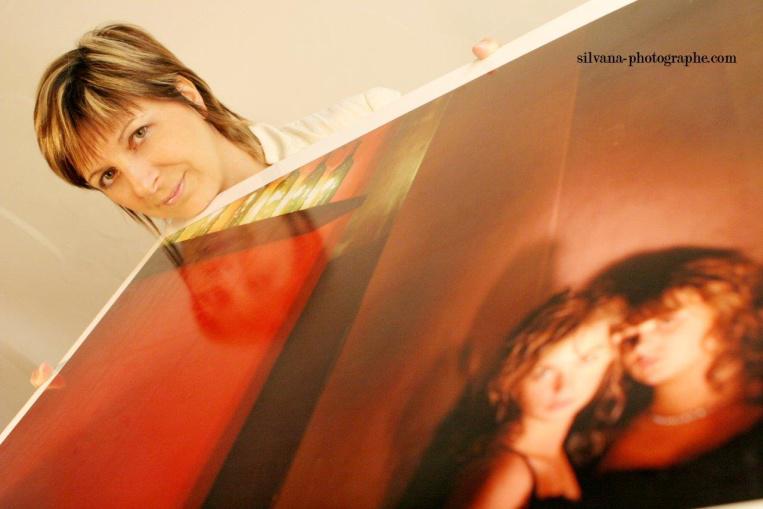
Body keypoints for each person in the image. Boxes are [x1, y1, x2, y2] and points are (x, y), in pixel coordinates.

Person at [33, 24, 499, 230]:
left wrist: (505, 109)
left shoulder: (372, 121)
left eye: (138, 134)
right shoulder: (173, 306)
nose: (142, 184)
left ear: (187, 95)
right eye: (107, 176)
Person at [582, 247, 763, 508]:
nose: (641, 347)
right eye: (629, 332)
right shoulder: (597, 424)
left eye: (666, 322)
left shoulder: (754, 427)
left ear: (725, 322)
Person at [445, 291, 625, 508]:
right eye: (543, 371)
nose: (564, 386)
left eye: (585, 361)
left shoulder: (556, 456)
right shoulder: (511, 473)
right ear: (508, 379)